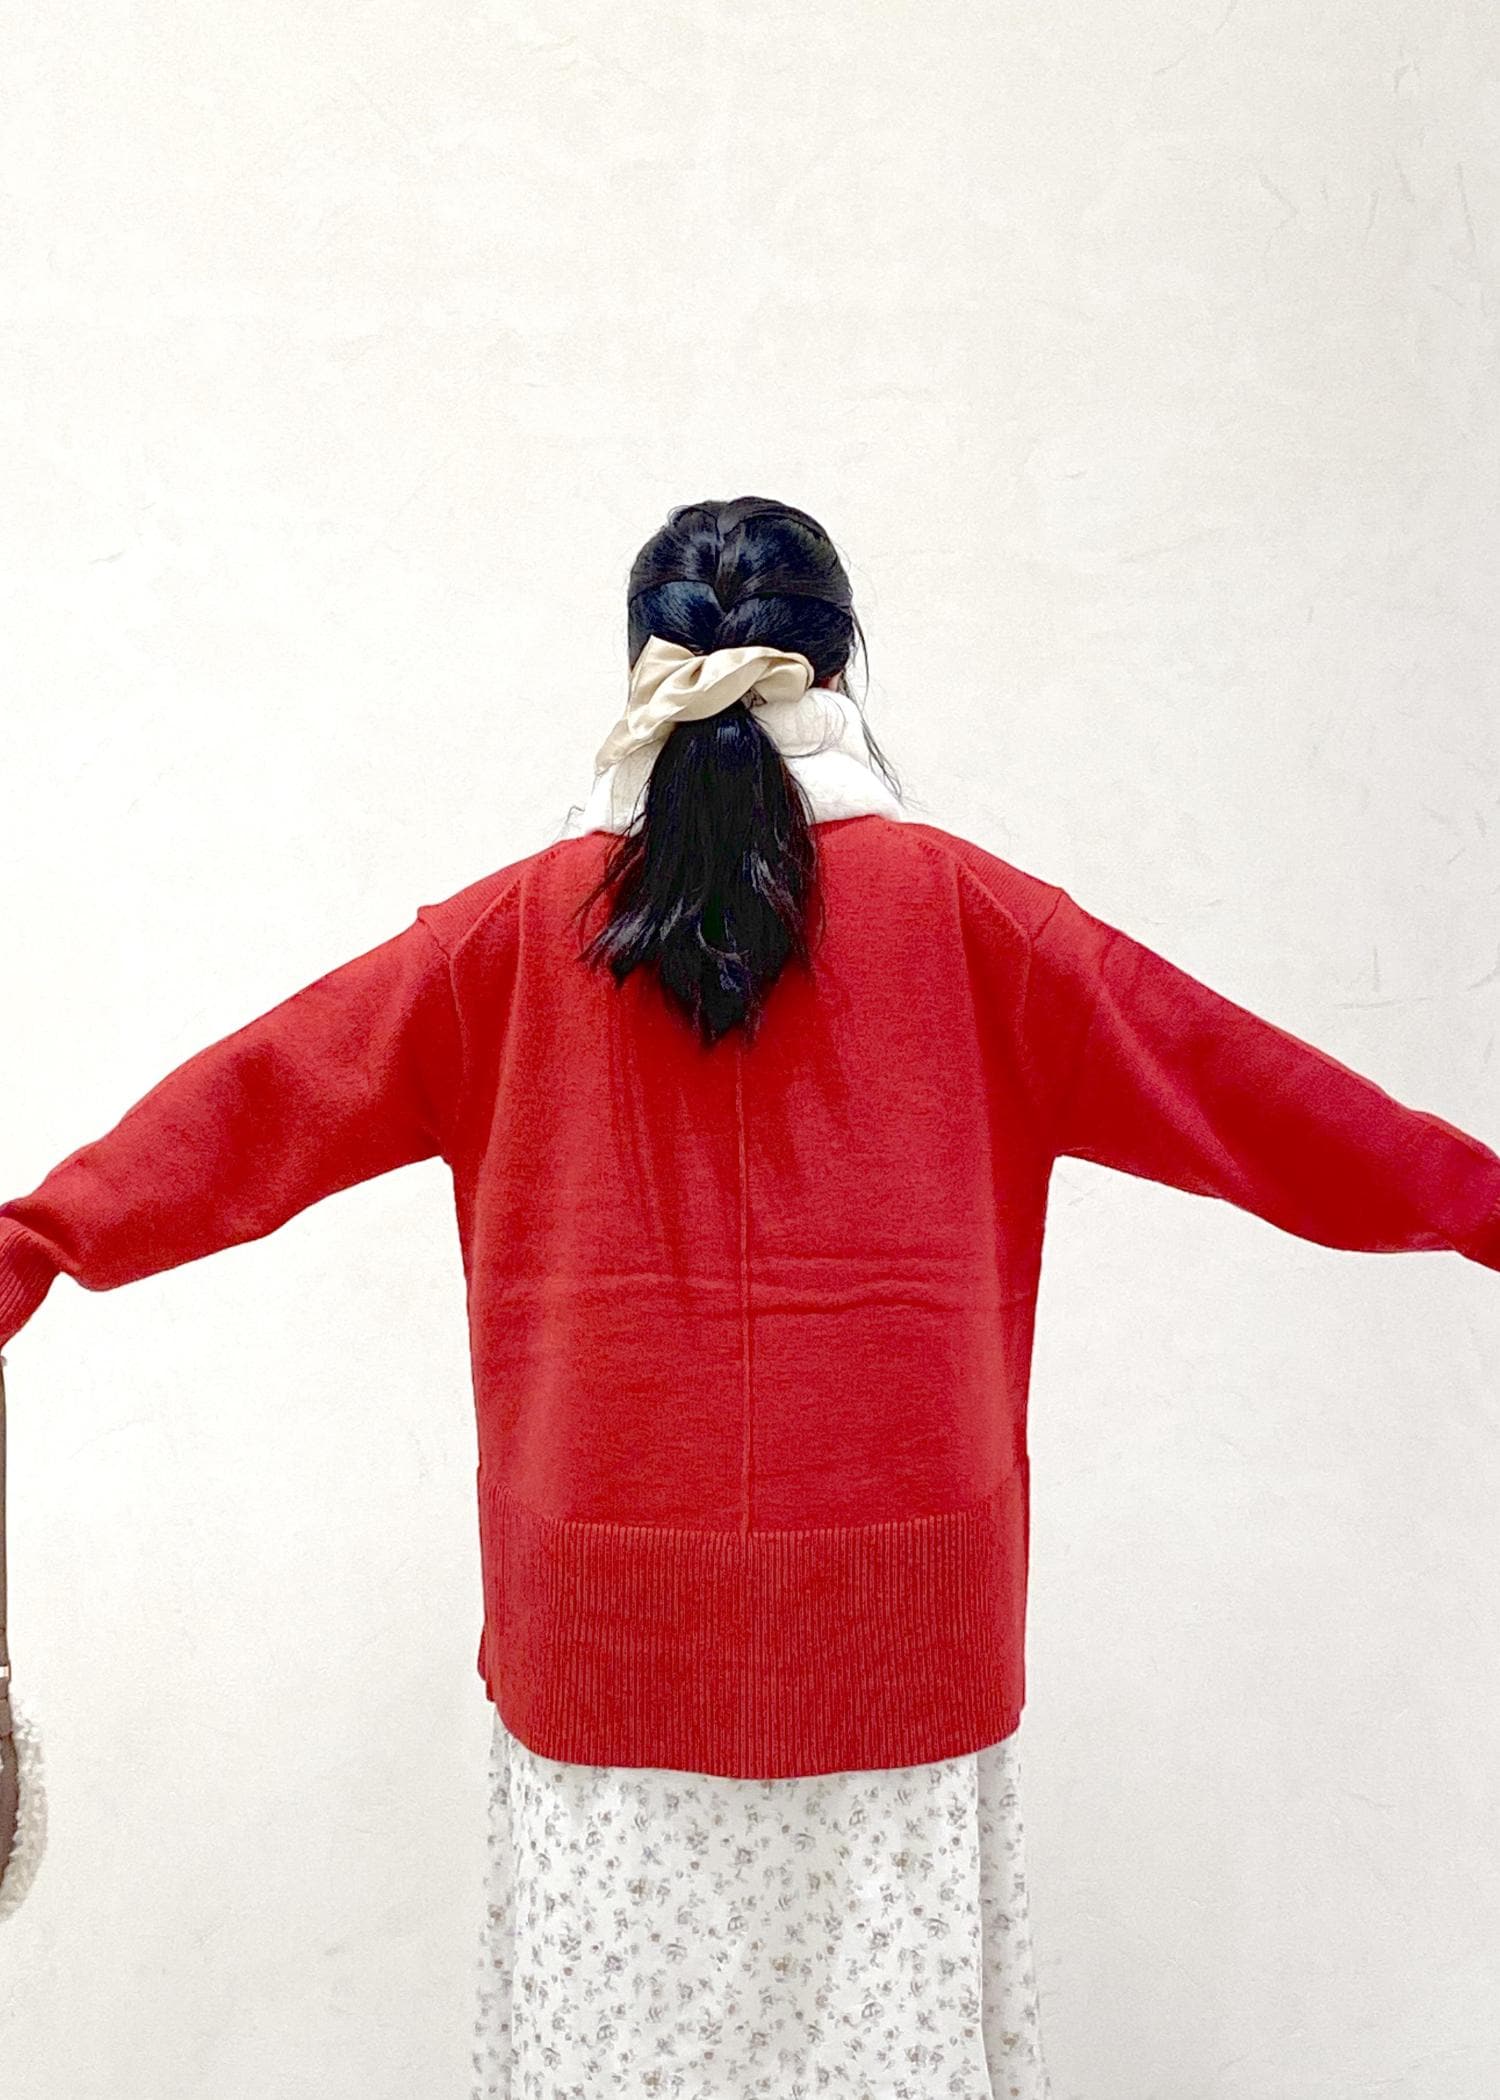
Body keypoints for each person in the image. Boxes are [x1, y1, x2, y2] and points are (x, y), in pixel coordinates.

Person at [4, 496, 1499, 2098]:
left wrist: (37, 1242)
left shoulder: (509, 938)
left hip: (604, 1645)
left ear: (642, 666)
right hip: (901, 1641)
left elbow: (251, 1108)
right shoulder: (978, 921)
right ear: (836, 665)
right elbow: (1251, 1096)